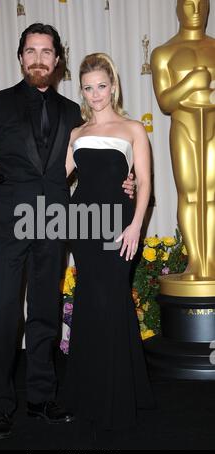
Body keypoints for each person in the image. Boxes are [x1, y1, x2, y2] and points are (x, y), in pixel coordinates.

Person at [0, 24, 135, 440]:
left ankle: (41, 398)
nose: (38, 58)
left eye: (46, 51)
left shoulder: (72, 113)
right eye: (31, 50)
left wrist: (123, 184)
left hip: (56, 221)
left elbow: (94, 159)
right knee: (4, 312)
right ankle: (1, 405)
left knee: (44, 313)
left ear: (57, 61)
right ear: (21, 57)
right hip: (8, 221)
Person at [64, 53, 155, 430]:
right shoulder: (76, 134)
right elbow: (55, 178)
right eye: (88, 87)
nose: (95, 94)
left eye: (102, 86)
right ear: (82, 91)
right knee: (88, 300)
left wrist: (135, 226)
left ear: (113, 86)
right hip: (82, 224)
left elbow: (145, 184)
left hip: (118, 224)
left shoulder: (133, 129)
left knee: (113, 299)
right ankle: (85, 395)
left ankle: (121, 397)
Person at [151, 0, 215, 285]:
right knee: (190, 193)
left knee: (211, 194)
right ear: (178, 8)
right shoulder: (164, 53)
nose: (196, 10)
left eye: (202, 4)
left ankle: (210, 260)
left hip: (213, 125)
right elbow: (165, 102)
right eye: (189, 4)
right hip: (184, 125)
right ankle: (195, 260)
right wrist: (191, 83)